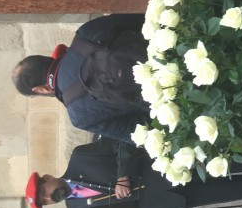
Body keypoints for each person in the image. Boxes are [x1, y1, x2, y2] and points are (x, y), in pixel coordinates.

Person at [25, 137, 242, 208]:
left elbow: (121, 143)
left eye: (43, 193)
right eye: (44, 202)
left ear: (47, 178)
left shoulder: (80, 157)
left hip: (165, 168)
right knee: (227, 191)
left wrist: (123, 176)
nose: (48, 198)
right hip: (166, 201)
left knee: (225, 163)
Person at [12, 13, 150, 143]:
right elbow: (148, 18)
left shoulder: (80, 116)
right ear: (46, 59)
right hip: (163, 48)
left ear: (41, 89)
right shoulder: (86, 33)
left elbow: (143, 134)